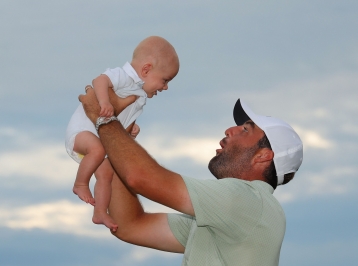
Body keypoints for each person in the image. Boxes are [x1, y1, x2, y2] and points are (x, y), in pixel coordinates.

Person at [79, 88, 303, 266]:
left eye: (246, 130)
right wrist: (117, 142)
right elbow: (130, 226)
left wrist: (105, 119)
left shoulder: (249, 200)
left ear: (263, 156)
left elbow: (141, 178)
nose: (229, 130)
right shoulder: (225, 217)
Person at [65, 36, 179, 231]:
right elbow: (99, 80)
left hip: (97, 147)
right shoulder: (124, 77)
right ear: (146, 69)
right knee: (98, 150)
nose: (166, 87)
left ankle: (100, 212)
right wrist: (105, 102)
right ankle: (80, 184)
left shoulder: (140, 97)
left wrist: (129, 131)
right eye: (165, 80)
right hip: (81, 133)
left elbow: (118, 126)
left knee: (107, 174)